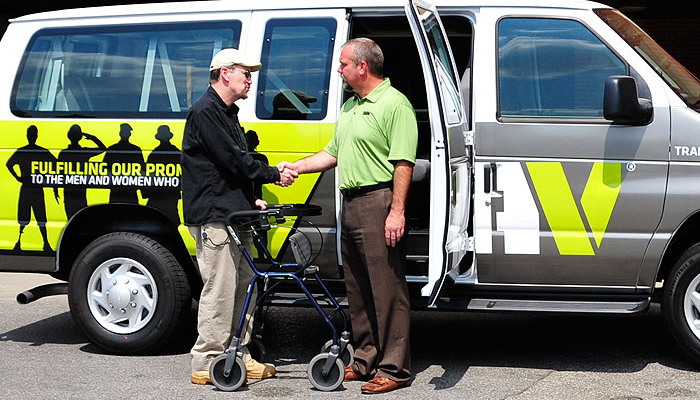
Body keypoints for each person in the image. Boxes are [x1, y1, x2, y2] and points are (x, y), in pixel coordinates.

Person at [278, 37, 417, 394]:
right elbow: (331, 154)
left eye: (342, 64)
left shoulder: (394, 104)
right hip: (351, 204)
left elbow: (403, 163)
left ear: (362, 67)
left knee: (388, 290)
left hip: (378, 201)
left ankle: (394, 369)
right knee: (358, 289)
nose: (338, 70)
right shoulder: (352, 107)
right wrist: (298, 166)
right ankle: (365, 359)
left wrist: (396, 211)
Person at [181, 48, 297, 385]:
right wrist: (274, 174)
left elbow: (228, 170)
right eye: (245, 72)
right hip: (215, 215)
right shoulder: (206, 111)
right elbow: (233, 162)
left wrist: (251, 198)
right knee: (220, 288)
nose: (250, 79)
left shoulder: (227, 112)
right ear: (225, 73)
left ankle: (239, 354)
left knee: (245, 285)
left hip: (233, 212)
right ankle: (207, 360)